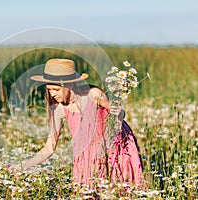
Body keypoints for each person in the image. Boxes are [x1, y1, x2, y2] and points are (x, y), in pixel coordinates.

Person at [12, 58, 145, 190]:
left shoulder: (93, 95)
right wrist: (22, 166)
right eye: (49, 89)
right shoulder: (59, 110)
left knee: (120, 190)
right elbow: (49, 148)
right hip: (87, 158)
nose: (52, 94)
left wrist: (119, 113)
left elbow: (119, 115)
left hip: (114, 149)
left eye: (56, 89)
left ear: (69, 85)